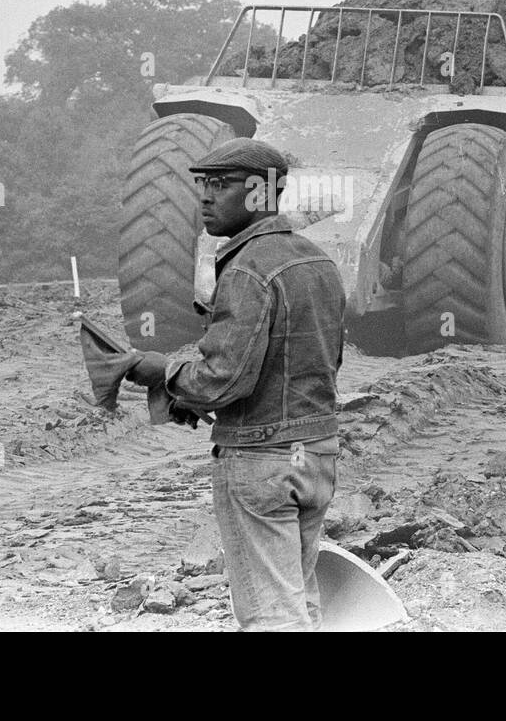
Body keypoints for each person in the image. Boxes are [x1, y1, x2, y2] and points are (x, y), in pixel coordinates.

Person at [126, 137, 345, 631]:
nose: (204, 196)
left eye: (220, 185)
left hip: (260, 458)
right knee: (299, 600)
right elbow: (322, 361)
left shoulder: (247, 267)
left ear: (259, 192)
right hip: (316, 453)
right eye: (202, 183)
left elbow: (223, 380)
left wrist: (165, 374)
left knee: (271, 614)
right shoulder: (318, 261)